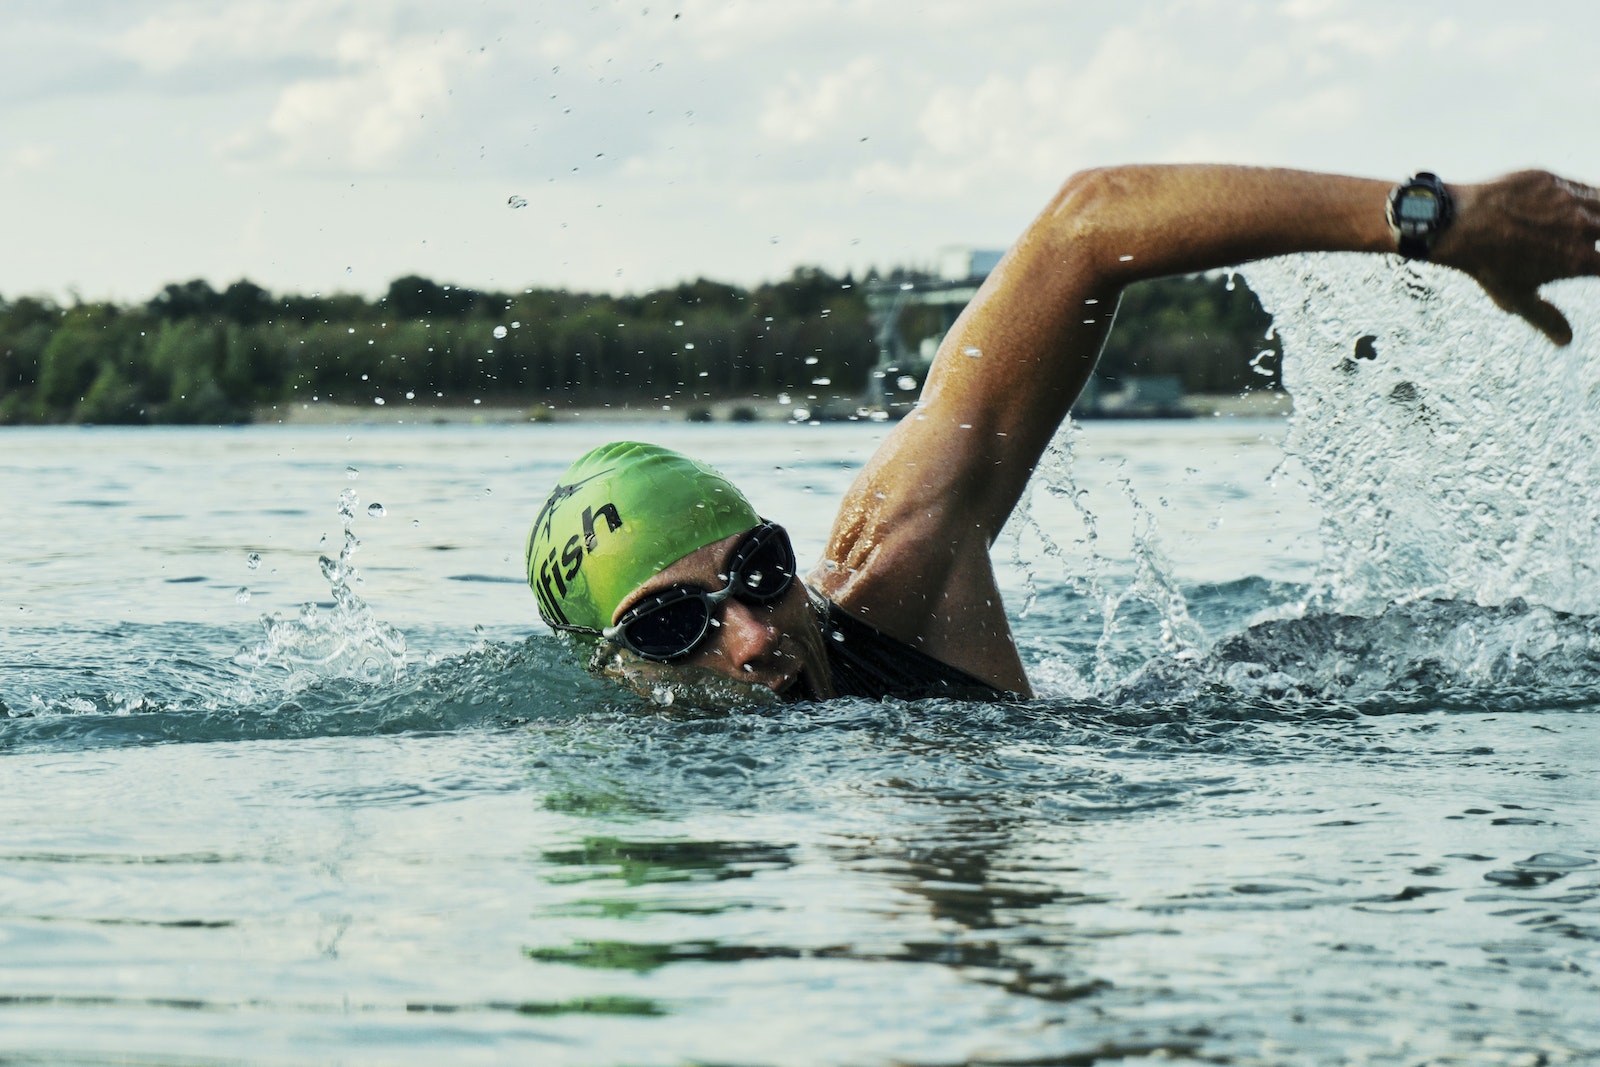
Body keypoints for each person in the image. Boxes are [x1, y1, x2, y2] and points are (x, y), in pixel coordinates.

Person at [526, 164, 1600, 703]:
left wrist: (1434, 220)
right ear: (611, 669)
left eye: (758, 572)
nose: (753, 636)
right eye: (673, 626)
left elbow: (1085, 224)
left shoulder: (896, 572)